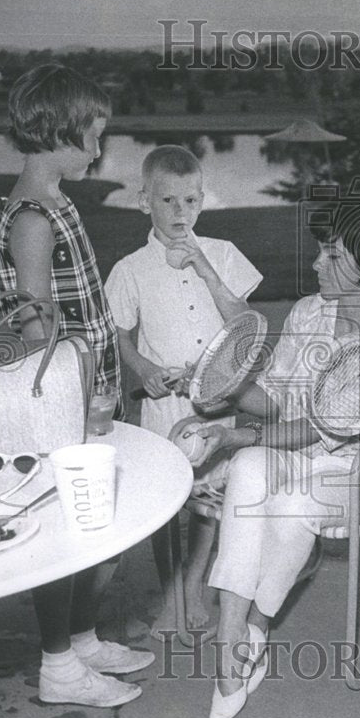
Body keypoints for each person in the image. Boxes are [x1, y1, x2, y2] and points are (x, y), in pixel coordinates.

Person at [169, 208, 360, 718]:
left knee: (290, 498)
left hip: (358, 469)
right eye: (322, 249)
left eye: (333, 255)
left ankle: (257, 624)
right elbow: (278, 402)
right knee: (252, 466)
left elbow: (322, 429)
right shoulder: (308, 313)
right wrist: (225, 387)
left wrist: (232, 434)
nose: (316, 262)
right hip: (292, 451)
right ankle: (232, 639)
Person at [0, 63, 153, 707]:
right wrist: (78, 400)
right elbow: (35, 325)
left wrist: (123, 368)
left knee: (99, 526)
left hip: (92, 388)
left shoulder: (58, 202)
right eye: (93, 136)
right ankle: (58, 665)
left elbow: (89, 305)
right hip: (63, 399)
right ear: (58, 132)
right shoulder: (32, 217)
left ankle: (83, 640)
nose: (99, 150)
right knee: (68, 531)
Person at [104, 145, 262, 637]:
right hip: (164, 405)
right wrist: (145, 369)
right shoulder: (130, 269)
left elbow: (245, 325)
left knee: (211, 498)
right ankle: (173, 583)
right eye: (168, 200)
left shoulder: (223, 255)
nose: (180, 212)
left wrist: (204, 267)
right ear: (143, 201)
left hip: (217, 402)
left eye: (190, 201)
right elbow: (122, 337)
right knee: (168, 498)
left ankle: (194, 581)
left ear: (202, 200)